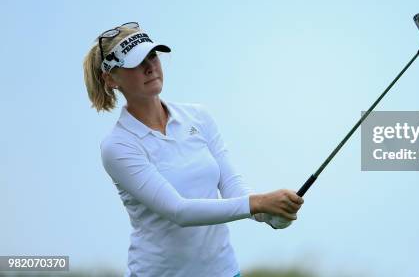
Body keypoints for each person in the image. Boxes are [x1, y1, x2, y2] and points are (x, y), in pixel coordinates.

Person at [83, 22, 304, 277]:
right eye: (135, 62)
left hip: (225, 272)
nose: (149, 67)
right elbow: (179, 211)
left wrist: (271, 214)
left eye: (152, 55)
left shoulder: (198, 116)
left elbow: (233, 186)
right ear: (110, 79)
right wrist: (260, 203)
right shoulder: (118, 145)